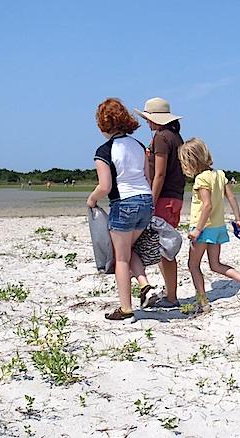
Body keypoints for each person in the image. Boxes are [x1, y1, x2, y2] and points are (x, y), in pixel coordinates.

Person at [87, 98, 155, 320]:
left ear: (102, 124)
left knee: (121, 258)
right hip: (145, 201)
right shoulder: (139, 145)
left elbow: (105, 187)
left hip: (124, 203)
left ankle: (126, 308)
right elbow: (148, 177)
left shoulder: (104, 151)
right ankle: (145, 285)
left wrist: (91, 200)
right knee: (126, 249)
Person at [178, 137, 240, 313]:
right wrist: (238, 219)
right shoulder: (220, 175)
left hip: (203, 229)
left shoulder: (201, 179)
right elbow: (231, 197)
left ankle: (202, 301)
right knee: (215, 264)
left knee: (193, 265)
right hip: (217, 228)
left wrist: (197, 230)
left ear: (191, 161)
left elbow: (207, 205)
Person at [135, 97, 186, 308]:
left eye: (148, 118)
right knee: (166, 248)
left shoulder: (161, 138)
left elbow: (160, 173)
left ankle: (172, 297)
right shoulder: (175, 136)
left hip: (163, 198)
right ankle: (170, 292)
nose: (147, 123)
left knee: (164, 249)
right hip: (175, 197)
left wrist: (151, 202)